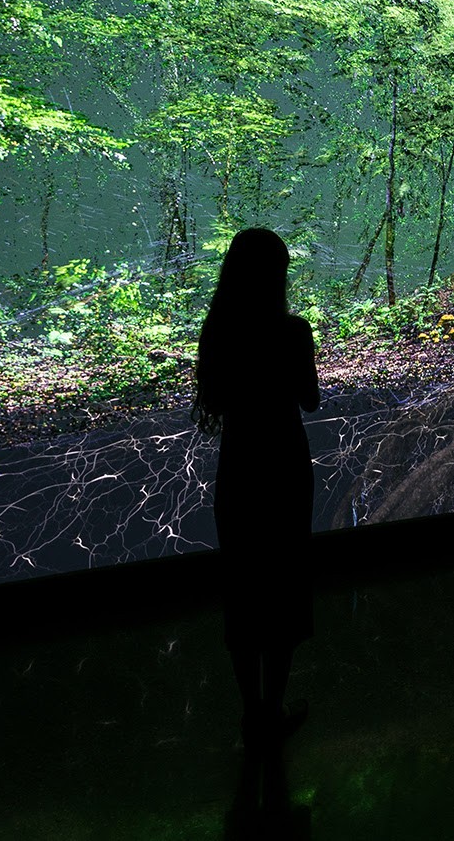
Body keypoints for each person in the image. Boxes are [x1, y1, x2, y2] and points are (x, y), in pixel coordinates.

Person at [193, 228, 322, 745]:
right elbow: (310, 400)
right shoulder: (293, 332)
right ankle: (273, 708)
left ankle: (252, 715)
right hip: (285, 469)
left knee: (245, 588)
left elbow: (217, 404)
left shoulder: (219, 331)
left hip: (241, 471)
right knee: (284, 586)